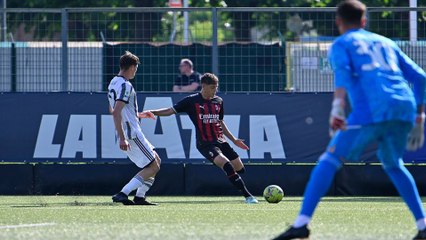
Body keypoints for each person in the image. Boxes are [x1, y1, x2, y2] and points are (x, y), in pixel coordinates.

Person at [273, 1, 426, 239]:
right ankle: (423, 225)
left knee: (329, 159)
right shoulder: (386, 42)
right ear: (364, 21)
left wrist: (337, 108)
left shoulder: (342, 43)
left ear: (338, 21)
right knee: (394, 164)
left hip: (372, 109)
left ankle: (302, 224)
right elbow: (420, 77)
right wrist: (419, 116)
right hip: (404, 108)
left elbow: (343, 75)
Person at [149, 73, 258, 204]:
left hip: (221, 141)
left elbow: (220, 122)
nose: (215, 90)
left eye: (216, 87)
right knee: (227, 165)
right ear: (203, 86)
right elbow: (169, 111)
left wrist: (234, 139)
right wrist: (152, 112)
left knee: (240, 168)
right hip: (205, 143)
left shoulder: (218, 101)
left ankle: (230, 174)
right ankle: (248, 197)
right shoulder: (191, 101)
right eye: (212, 87)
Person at [108, 51, 161, 205]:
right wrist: (123, 137)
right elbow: (116, 112)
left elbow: (113, 109)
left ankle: (139, 197)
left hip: (129, 129)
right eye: (135, 68)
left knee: (156, 161)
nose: (135, 71)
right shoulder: (125, 85)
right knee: (153, 165)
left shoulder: (114, 82)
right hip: (131, 132)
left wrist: (138, 115)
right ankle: (123, 193)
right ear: (131, 67)